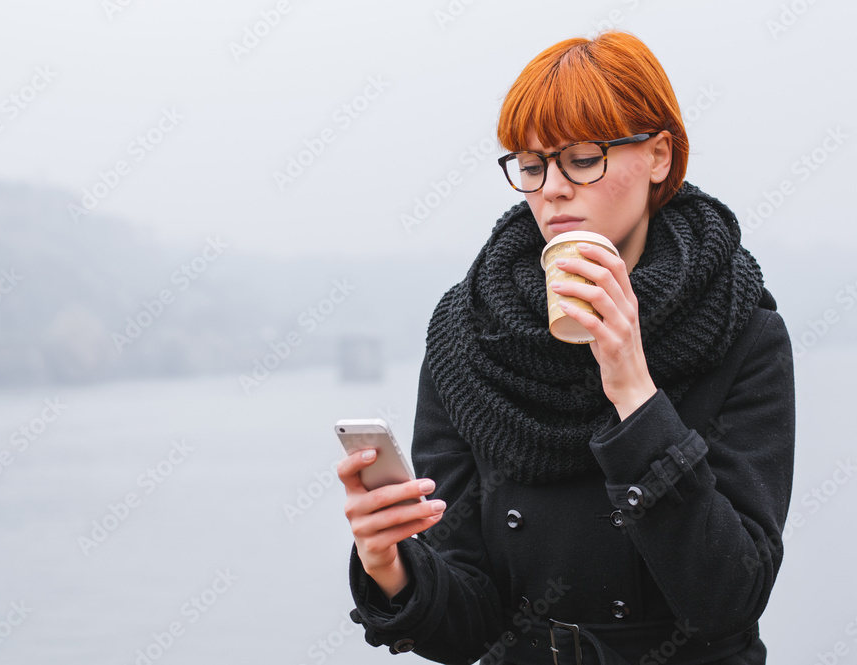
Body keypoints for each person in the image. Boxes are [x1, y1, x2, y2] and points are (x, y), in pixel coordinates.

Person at [337, 30, 795, 665]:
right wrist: (390, 564)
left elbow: (727, 598)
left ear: (659, 155)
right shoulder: (469, 333)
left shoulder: (736, 325)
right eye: (530, 164)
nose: (551, 188)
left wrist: (634, 391)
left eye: (583, 158)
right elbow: (469, 626)